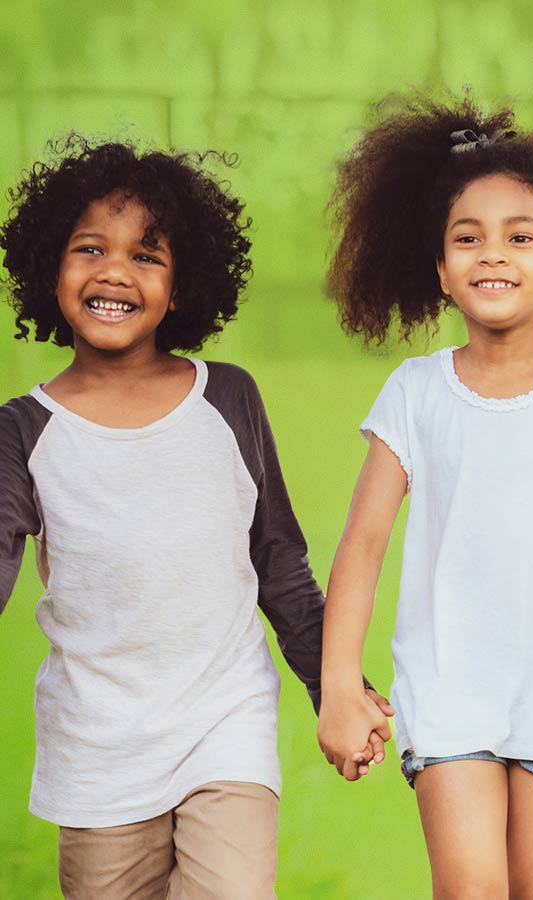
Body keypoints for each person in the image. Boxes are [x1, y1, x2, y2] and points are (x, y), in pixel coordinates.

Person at [0, 136, 388, 899]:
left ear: (180, 289)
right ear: (52, 269)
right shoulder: (22, 431)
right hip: (97, 751)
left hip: (224, 724)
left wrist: (336, 686)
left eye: (147, 255)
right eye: (89, 249)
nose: (115, 270)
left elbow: (280, 567)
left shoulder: (228, 399)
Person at [317, 93, 533, 898]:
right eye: (468, 238)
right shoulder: (414, 392)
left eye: (521, 237)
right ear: (441, 269)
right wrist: (341, 683)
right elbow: (363, 545)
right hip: (448, 692)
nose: (493, 255)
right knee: (471, 889)